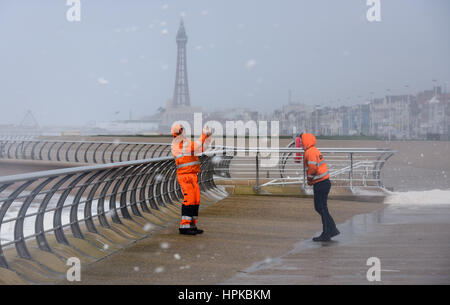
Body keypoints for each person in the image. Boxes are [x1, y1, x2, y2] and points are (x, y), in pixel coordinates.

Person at [171, 124, 212, 235]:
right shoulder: (179, 143)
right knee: (189, 200)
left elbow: (201, 148)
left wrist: (208, 137)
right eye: (183, 130)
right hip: (185, 176)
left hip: (192, 175)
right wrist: (204, 134)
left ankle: (192, 224)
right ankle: (184, 226)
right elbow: (195, 146)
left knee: (195, 199)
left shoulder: (184, 143)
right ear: (181, 132)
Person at [299, 133, 340, 242]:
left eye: (302, 141)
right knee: (321, 207)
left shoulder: (310, 152)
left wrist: (309, 180)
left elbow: (312, 168)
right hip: (323, 182)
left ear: (306, 141)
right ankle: (331, 229)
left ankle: (327, 232)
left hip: (321, 183)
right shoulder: (314, 150)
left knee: (321, 207)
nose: (301, 143)